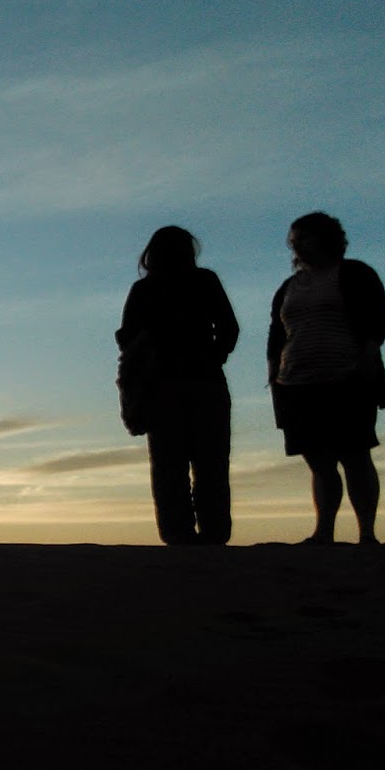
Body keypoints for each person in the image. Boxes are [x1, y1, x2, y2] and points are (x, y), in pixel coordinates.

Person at [267, 211, 385, 545]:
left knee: (355, 454)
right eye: (294, 239)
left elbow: (378, 318)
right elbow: (277, 334)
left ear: (326, 237)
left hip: (347, 378)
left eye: (304, 236)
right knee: (319, 461)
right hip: (296, 383)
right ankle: (324, 532)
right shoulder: (289, 287)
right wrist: (273, 374)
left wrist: (368, 353)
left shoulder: (354, 274)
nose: (297, 244)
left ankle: (366, 532)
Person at [116, 225, 240, 545]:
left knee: (169, 464)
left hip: (164, 385)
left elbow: (125, 337)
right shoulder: (204, 281)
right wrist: (215, 356)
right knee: (210, 462)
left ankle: (178, 532)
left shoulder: (145, 289)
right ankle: (214, 533)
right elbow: (229, 328)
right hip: (203, 381)